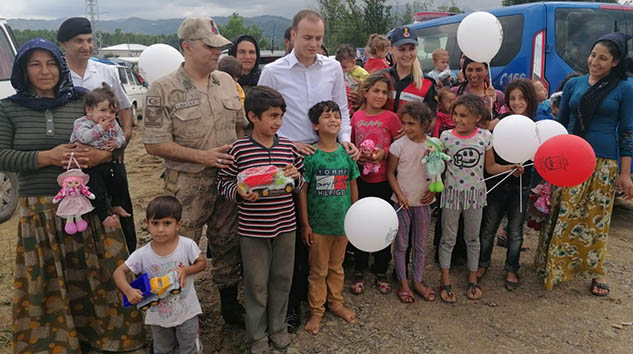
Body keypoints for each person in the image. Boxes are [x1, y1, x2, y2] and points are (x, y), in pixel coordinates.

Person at [1, 38, 145, 353]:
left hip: (89, 204)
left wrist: (102, 157)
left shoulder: (81, 100)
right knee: (49, 281)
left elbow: (114, 140)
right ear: (24, 69)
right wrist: (46, 157)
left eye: (51, 63)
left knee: (98, 274)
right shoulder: (9, 107)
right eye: (35, 64)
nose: (45, 71)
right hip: (41, 209)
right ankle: (55, 344)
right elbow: (2, 155)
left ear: (61, 65)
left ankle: (105, 339)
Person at [258, 9, 359, 331]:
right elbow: (262, 113)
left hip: (327, 154)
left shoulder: (331, 68)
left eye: (319, 38)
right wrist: (286, 143)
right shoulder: (273, 71)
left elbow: (341, 108)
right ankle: (293, 304)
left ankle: (328, 300)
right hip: (288, 156)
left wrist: (344, 140)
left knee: (322, 230)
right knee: (293, 233)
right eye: (307, 38)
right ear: (292, 36)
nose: (313, 44)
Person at [143, 16, 248, 326]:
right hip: (186, 185)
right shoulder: (163, 89)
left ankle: (229, 303)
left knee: (227, 241)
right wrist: (203, 156)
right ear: (187, 47)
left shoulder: (227, 82)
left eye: (219, 46)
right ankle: (173, 311)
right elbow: (154, 143)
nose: (218, 52)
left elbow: (241, 129)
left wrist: (245, 165)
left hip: (227, 181)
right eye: (210, 46)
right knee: (178, 246)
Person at [535, 32, 633, 294]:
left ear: (615, 62)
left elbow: (627, 131)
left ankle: (596, 271)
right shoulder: (573, 85)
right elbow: (560, 124)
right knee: (562, 212)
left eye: (603, 58)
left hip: (603, 162)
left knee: (595, 219)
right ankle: (553, 265)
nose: (595, 62)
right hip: (570, 157)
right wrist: (550, 159)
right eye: (593, 55)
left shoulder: (624, 88)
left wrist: (625, 173)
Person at [217, 86, 304, 354]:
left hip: (286, 226)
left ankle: (277, 329)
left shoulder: (288, 147)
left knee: (281, 279)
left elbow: (301, 183)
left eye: (281, 117)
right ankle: (257, 337)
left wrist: (296, 177)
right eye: (272, 116)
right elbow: (223, 183)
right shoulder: (239, 149)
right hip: (253, 230)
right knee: (255, 284)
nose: (278, 122)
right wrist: (239, 193)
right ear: (253, 116)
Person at [57, 17, 138, 251]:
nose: (86, 46)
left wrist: (124, 140)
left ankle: (129, 263)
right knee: (86, 209)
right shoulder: (57, 75)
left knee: (122, 207)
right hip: (77, 160)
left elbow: (124, 106)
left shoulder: (106, 71)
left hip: (109, 154)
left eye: (90, 40)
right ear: (64, 44)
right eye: (79, 41)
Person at [438, 94, 523, 303]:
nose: (458, 119)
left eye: (464, 116)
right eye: (455, 115)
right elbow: (439, 168)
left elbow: (490, 167)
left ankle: (472, 279)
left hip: (475, 196)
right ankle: (445, 280)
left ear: (477, 117)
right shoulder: (445, 137)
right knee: (448, 239)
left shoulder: (485, 137)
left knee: (473, 239)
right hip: (451, 195)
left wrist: (510, 168)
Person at [113, 196, 206, 354]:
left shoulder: (186, 245)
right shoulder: (142, 254)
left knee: (189, 347)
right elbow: (118, 272)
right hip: (157, 315)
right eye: (155, 223)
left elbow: (202, 263)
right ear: (147, 224)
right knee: (162, 348)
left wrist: (186, 270)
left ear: (178, 224)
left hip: (187, 310)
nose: (160, 229)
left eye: (167, 223)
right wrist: (128, 290)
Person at [300, 100, 359, 335]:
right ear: (315, 125)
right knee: (318, 270)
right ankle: (316, 311)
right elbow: (302, 191)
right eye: (327, 116)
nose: (333, 120)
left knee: (337, 267)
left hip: (343, 225)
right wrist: (305, 224)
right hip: (318, 227)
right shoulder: (311, 156)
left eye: (337, 116)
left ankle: (336, 303)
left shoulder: (346, 154)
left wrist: (356, 217)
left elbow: (353, 185)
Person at [477, 79, 537, 291]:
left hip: (521, 185)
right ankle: (482, 264)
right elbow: (484, 127)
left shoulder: (536, 125)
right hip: (496, 182)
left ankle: (512, 268)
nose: (517, 102)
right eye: (512, 98)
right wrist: (488, 102)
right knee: (488, 228)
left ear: (530, 100)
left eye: (522, 98)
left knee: (515, 232)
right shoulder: (503, 119)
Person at [348, 72, 400, 296]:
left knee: (382, 223)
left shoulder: (391, 118)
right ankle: (359, 269)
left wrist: (384, 152)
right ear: (365, 92)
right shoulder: (355, 117)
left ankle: (381, 269)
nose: (380, 95)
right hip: (360, 180)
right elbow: (349, 144)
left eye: (384, 92)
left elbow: (400, 148)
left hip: (383, 181)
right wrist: (356, 154)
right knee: (360, 222)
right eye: (375, 91)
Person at [387, 101, 436, 303]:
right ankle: (403, 282)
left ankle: (417, 281)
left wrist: (433, 191)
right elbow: (390, 173)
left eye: (411, 124)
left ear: (424, 124)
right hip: (402, 203)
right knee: (401, 244)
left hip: (423, 203)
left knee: (420, 245)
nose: (406, 128)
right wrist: (399, 194)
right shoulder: (398, 145)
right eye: (404, 123)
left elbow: (438, 171)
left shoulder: (433, 145)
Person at [69, 85, 129, 226]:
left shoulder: (113, 123)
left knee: (119, 178)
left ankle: (117, 204)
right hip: (89, 165)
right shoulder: (82, 123)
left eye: (112, 112)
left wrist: (116, 143)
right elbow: (84, 138)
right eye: (103, 110)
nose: (108, 115)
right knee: (97, 188)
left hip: (107, 161)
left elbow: (122, 136)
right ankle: (103, 216)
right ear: (89, 110)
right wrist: (100, 128)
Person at [384, 26, 437, 114]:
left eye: (412, 49)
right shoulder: (382, 77)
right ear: (391, 49)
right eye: (402, 49)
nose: (407, 54)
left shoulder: (427, 83)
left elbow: (431, 120)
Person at [336, 44, 368, 116]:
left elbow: (368, 81)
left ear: (353, 62)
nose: (342, 70)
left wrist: (360, 82)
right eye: (340, 67)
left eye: (344, 67)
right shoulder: (340, 73)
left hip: (358, 96)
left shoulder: (359, 71)